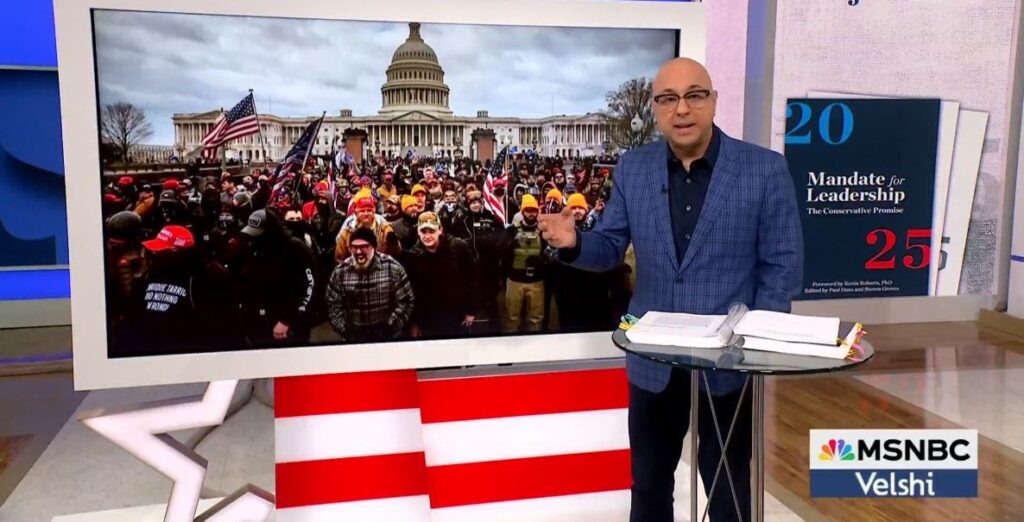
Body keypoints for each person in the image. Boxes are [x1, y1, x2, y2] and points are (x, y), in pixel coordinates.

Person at [538, 58, 802, 522]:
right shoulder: (634, 169)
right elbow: (610, 247)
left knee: (728, 486)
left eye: (694, 95)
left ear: (713, 101)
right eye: (668, 99)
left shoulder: (765, 170)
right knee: (650, 484)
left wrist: (756, 343)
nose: (682, 109)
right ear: (656, 109)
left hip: (729, 366)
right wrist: (575, 242)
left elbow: (781, 265)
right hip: (653, 364)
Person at [112, 225, 242, 357]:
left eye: (160, 251)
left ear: (177, 252)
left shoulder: (206, 277)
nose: (154, 254)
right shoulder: (151, 273)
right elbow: (135, 316)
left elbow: (225, 325)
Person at [238, 209, 319, 346]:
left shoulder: (295, 248)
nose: (254, 238)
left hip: (288, 329)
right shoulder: (254, 248)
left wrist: (287, 320)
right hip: (258, 327)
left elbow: (310, 286)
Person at [325, 227, 415, 343]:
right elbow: (332, 305)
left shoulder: (392, 268)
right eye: (354, 247)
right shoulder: (340, 272)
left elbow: (406, 301)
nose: (358, 252)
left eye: (364, 247)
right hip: (353, 337)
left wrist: (389, 327)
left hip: (387, 337)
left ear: (374, 247)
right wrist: (345, 330)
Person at [403, 212, 479, 339]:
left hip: (457, 316)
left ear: (440, 230)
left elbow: (473, 280)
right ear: (418, 232)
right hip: (428, 320)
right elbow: (413, 293)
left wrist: (471, 311)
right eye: (424, 232)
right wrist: (414, 323)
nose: (427, 236)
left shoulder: (459, 247)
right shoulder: (414, 255)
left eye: (431, 231)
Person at [501, 194, 548, 332]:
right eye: (528, 210)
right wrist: (510, 244)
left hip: (536, 282)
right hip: (515, 281)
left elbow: (553, 254)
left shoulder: (543, 231)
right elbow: (500, 252)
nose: (531, 213)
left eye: (534, 210)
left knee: (536, 319)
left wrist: (542, 260)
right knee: (511, 318)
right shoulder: (511, 230)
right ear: (522, 212)